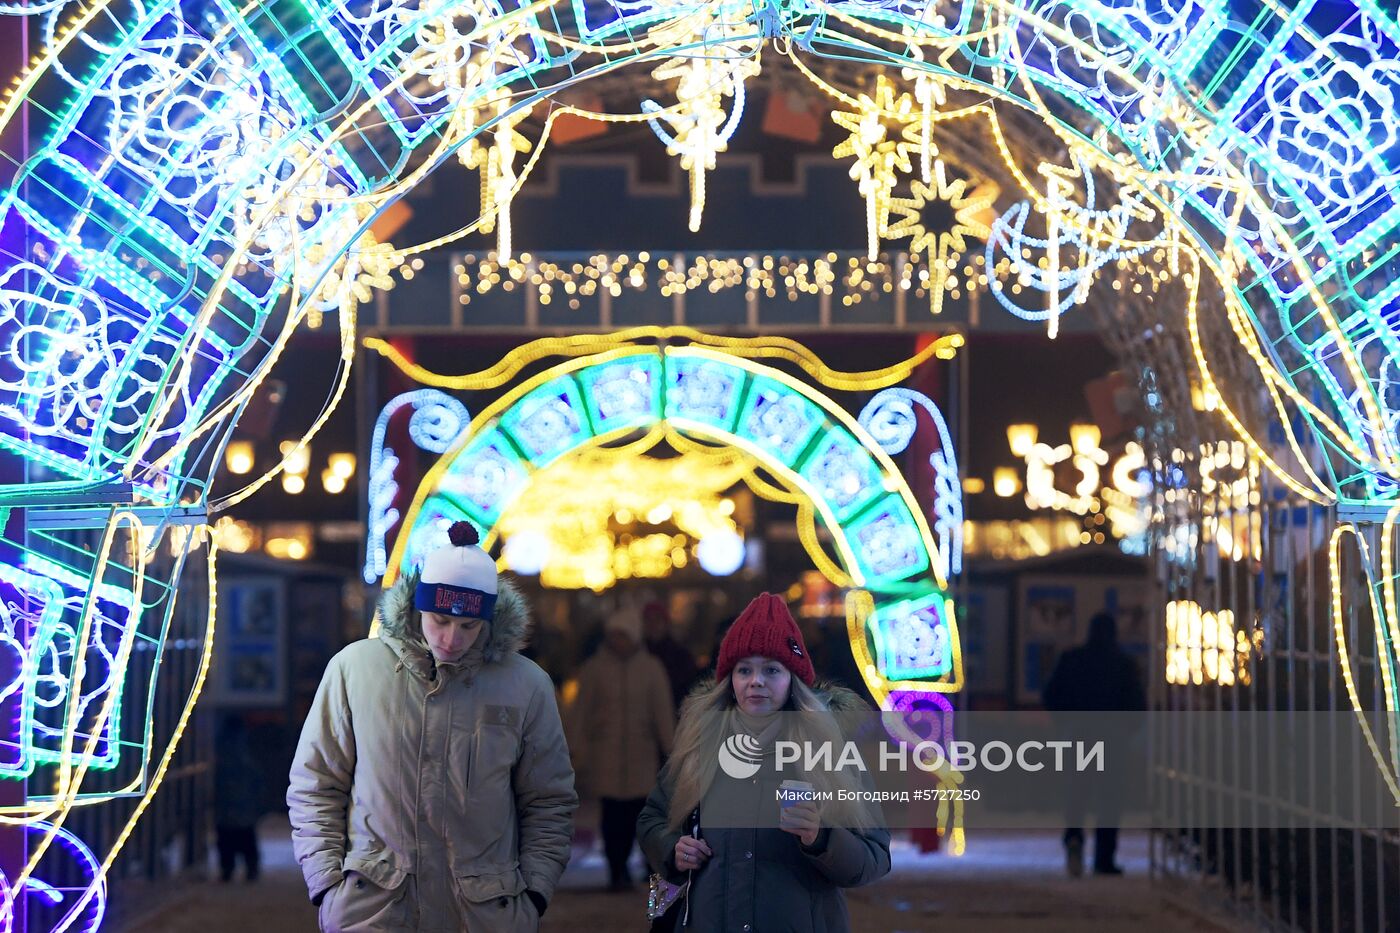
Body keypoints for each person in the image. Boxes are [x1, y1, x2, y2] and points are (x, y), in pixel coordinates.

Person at [288, 522, 577, 932]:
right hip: (373, 911)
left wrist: (532, 895)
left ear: (489, 621)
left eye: (468, 626)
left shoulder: (526, 685)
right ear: (416, 607)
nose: (451, 638)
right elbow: (316, 784)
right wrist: (327, 885)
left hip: (483, 915)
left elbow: (549, 799)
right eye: (439, 620)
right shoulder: (354, 670)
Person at [636, 593, 890, 932]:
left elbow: (874, 857)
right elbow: (652, 819)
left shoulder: (830, 754)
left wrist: (822, 838)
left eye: (771, 669)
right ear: (730, 680)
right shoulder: (699, 747)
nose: (756, 681)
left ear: (793, 681)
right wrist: (672, 849)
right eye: (744, 670)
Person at [568, 605, 675, 892]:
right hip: (607, 756)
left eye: (623, 635)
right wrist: (575, 749)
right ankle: (617, 870)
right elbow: (582, 712)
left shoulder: (651, 669)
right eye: (614, 636)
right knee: (612, 818)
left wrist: (672, 750)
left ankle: (641, 867)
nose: (618, 641)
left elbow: (661, 713)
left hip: (641, 758)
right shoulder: (595, 669)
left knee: (641, 817)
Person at [1042, 611, 1147, 877]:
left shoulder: (1072, 660)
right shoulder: (1123, 665)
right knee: (1110, 801)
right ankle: (1104, 859)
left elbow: (1051, 695)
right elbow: (1136, 705)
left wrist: (1064, 722)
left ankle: (1074, 840)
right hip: (1113, 741)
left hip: (1079, 736)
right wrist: (1127, 730)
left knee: (1076, 795)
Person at [213, 714, 263, 883]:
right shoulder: (246, 750)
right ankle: (251, 868)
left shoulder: (222, 747)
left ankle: (228, 869)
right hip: (243, 804)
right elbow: (256, 779)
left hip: (227, 805)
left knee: (226, 838)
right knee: (246, 836)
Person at [643, 600, 699, 710]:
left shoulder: (681, 656)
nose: (653, 625)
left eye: (657, 619)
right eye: (649, 620)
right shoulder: (638, 656)